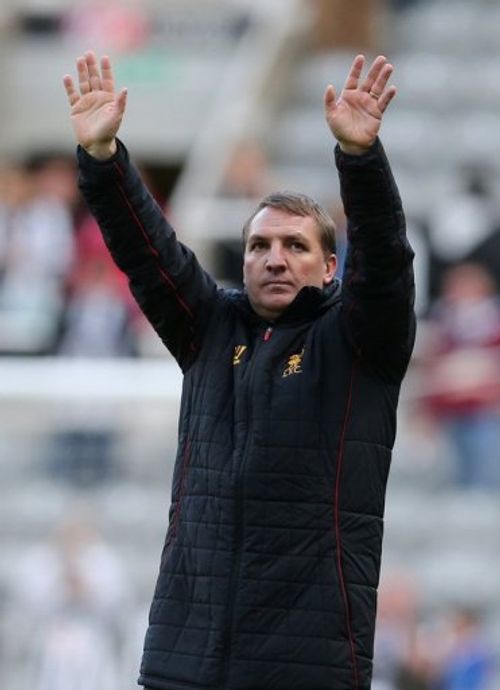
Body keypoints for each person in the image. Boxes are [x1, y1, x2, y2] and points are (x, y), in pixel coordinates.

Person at [63, 50, 416, 690]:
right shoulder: (209, 328)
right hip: (184, 657)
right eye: (260, 245)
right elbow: (148, 253)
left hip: (306, 666)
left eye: (296, 245)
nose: (275, 259)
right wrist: (104, 160)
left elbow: (387, 266)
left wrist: (360, 161)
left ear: (330, 267)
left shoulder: (361, 341)